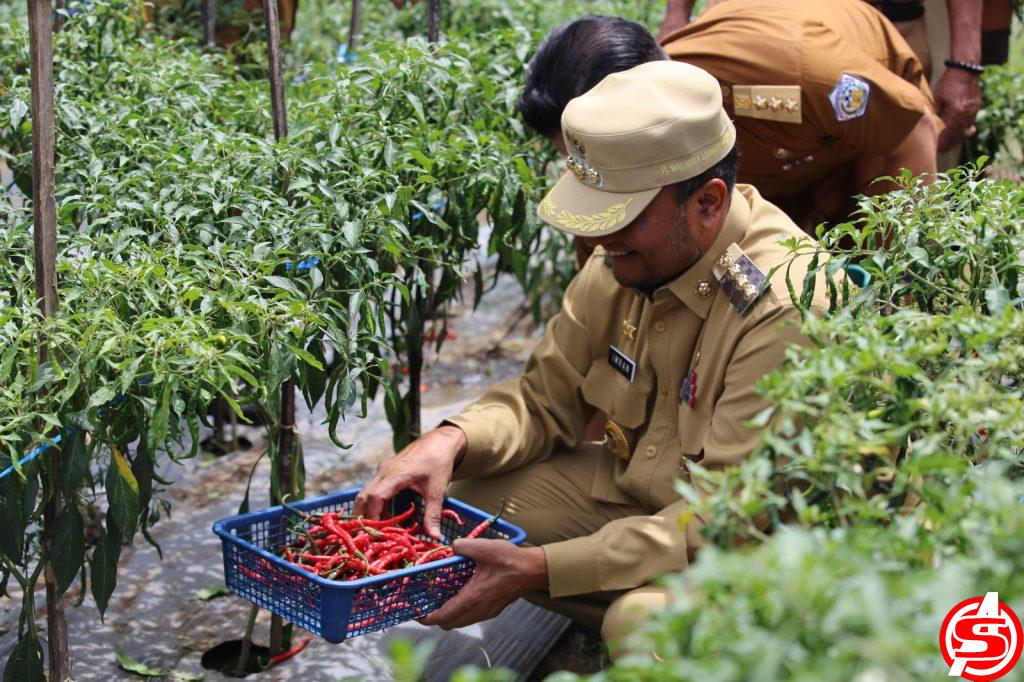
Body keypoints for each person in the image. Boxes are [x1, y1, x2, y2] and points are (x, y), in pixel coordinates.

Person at [355, 61, 830, 658]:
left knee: (641, 627)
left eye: (622, 217)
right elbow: (541, 400)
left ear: (708, 201)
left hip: (762, 553)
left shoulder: (781, 305)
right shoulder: (625, 265)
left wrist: (542, 567)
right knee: (458, 501)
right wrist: (449, 440)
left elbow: (727, 524)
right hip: (646, 504)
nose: (600, 240)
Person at [521, 3, 939, 232]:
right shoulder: (630, 133)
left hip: (870, 142)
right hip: (785, 167)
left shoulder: (798, 72)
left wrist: (891, 284)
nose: (597, 175)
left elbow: (911, 133)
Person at [658, 0, 985, 157]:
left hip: (875, 29)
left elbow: (913, 130)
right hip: (755, 31)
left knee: (896, 154)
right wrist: (677, 15)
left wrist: (964, 64)